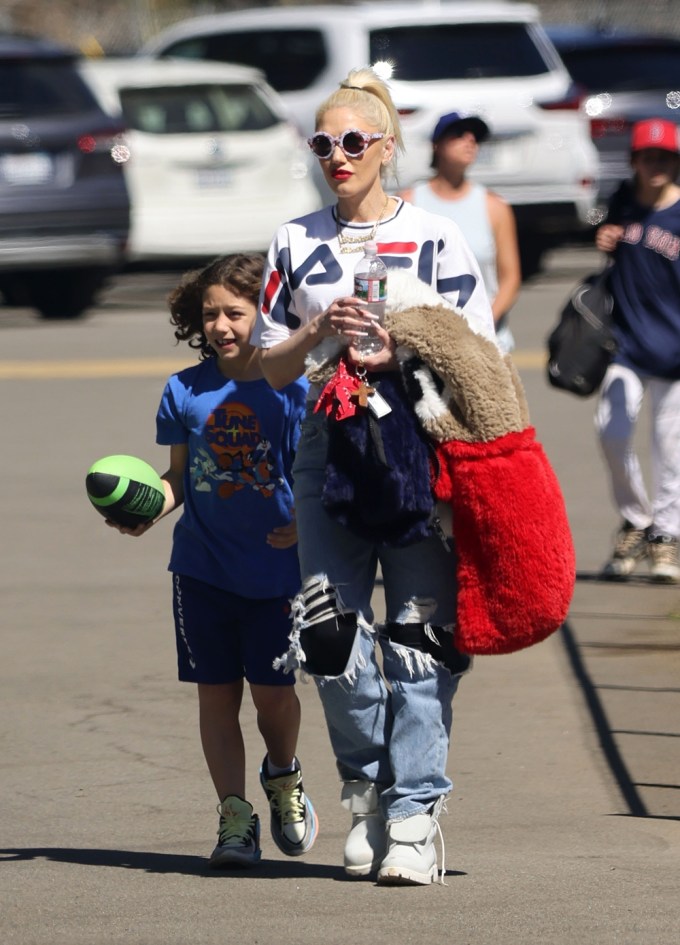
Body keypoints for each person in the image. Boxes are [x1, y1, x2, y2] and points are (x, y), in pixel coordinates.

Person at [251, 67, 496, 886]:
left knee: (421, 635)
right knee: (329, 633)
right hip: (328, 440)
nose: (337, 155)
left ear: (386, 147)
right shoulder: (294, 241)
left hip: (419, 441)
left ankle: (418, 814)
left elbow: (481, 353)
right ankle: (366, 794)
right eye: (323, 143)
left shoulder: (436, 237)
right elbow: (270, 366)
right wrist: (316, 326)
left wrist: (405, 343)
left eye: (353, 141)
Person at [106, 254, 317, 867]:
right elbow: (177, 478)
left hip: (277, 572)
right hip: (201, 570)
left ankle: (283, 776)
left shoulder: (294, 389)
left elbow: (315, 477)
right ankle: (234, 816)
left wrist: (305, 523)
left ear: (267, 313)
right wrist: (149, 508)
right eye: (210, 314)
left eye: (235, 312)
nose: (222, 325)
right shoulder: (183, 389)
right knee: (216, 696)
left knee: (274, 696)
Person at [594, 118, 680, 583]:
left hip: (676, 354)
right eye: (648, 156)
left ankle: (666, 536)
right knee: (611, 431)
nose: (656, 165)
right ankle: (637, 520)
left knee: (671, 449)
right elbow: (612, 250)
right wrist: (606, 239)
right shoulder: (622, 204)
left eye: (665, 157)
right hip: (627, 346)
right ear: (633, 161)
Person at [400, 110, 521, 353]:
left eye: (474, 136)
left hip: (485, 341)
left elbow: (510, 278)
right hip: (424, 342)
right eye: (458, 134)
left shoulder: (495, 206)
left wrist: (484, 322)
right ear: (436, 145)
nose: (469, 141)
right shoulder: (408, 202)